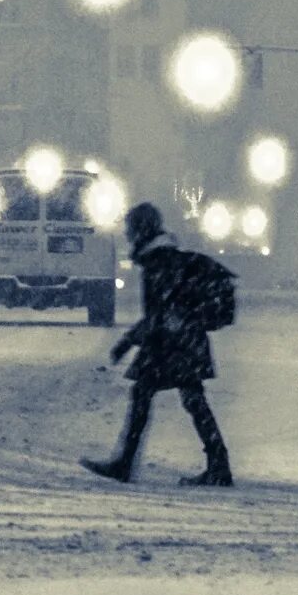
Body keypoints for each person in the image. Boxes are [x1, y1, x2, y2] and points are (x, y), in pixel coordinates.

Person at [81, 202, 233, 487]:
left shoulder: (158, 262)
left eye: (130, 229)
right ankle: (218, 463)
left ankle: (126, 464)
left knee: (151, 396)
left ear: (141, 230)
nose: (127, 235)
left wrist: (126, 342)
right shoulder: (165, 258)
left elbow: (158, 313)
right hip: (183, 341)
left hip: (172, 344)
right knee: (190, 400)